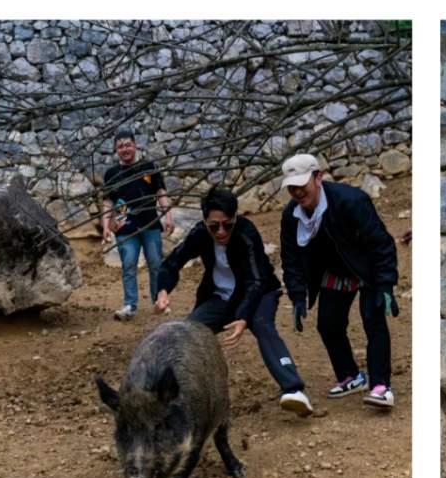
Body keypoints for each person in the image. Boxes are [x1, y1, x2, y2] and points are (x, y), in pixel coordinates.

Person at [154, 185, 312, 417]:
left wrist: (243, 317)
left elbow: (256, 280)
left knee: (263, 327)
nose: (220, 232)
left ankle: (294, 390)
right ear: (205, 221)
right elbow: (172, 263)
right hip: (220, 297)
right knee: (187, 333)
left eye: (227, 224)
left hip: (260, 293)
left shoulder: (247, 234)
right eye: (213, 226)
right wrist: (163, 291)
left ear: (236, 217)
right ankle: (171, 394)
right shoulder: (199, 233)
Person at [279, 153, 399, 410]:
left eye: (302, 184)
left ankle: (381, 387)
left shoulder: (351, 201)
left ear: (318, 178)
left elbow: (381, 242)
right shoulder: (292, 216)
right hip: (335, 271)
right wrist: (298, 296)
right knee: (328, 324)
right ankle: (351, 376)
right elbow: (291, 259)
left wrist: (386, 283)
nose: (298, 192)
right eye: (292, 187)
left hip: (367, 268)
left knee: (373, 319)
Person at [101, 127, 175, 322]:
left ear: (135, 145)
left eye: (128, 145)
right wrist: (106, 226)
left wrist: (168, 216)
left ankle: (159, 301)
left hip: (150, 223)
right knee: (128, 264)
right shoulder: (111, 174)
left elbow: (161, 192)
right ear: (116, 150)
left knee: (156, 264)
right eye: (120, 147)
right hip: (125, 227)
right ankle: (129, 305)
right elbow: (108, 202)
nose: (125, 149)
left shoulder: (149, 167)